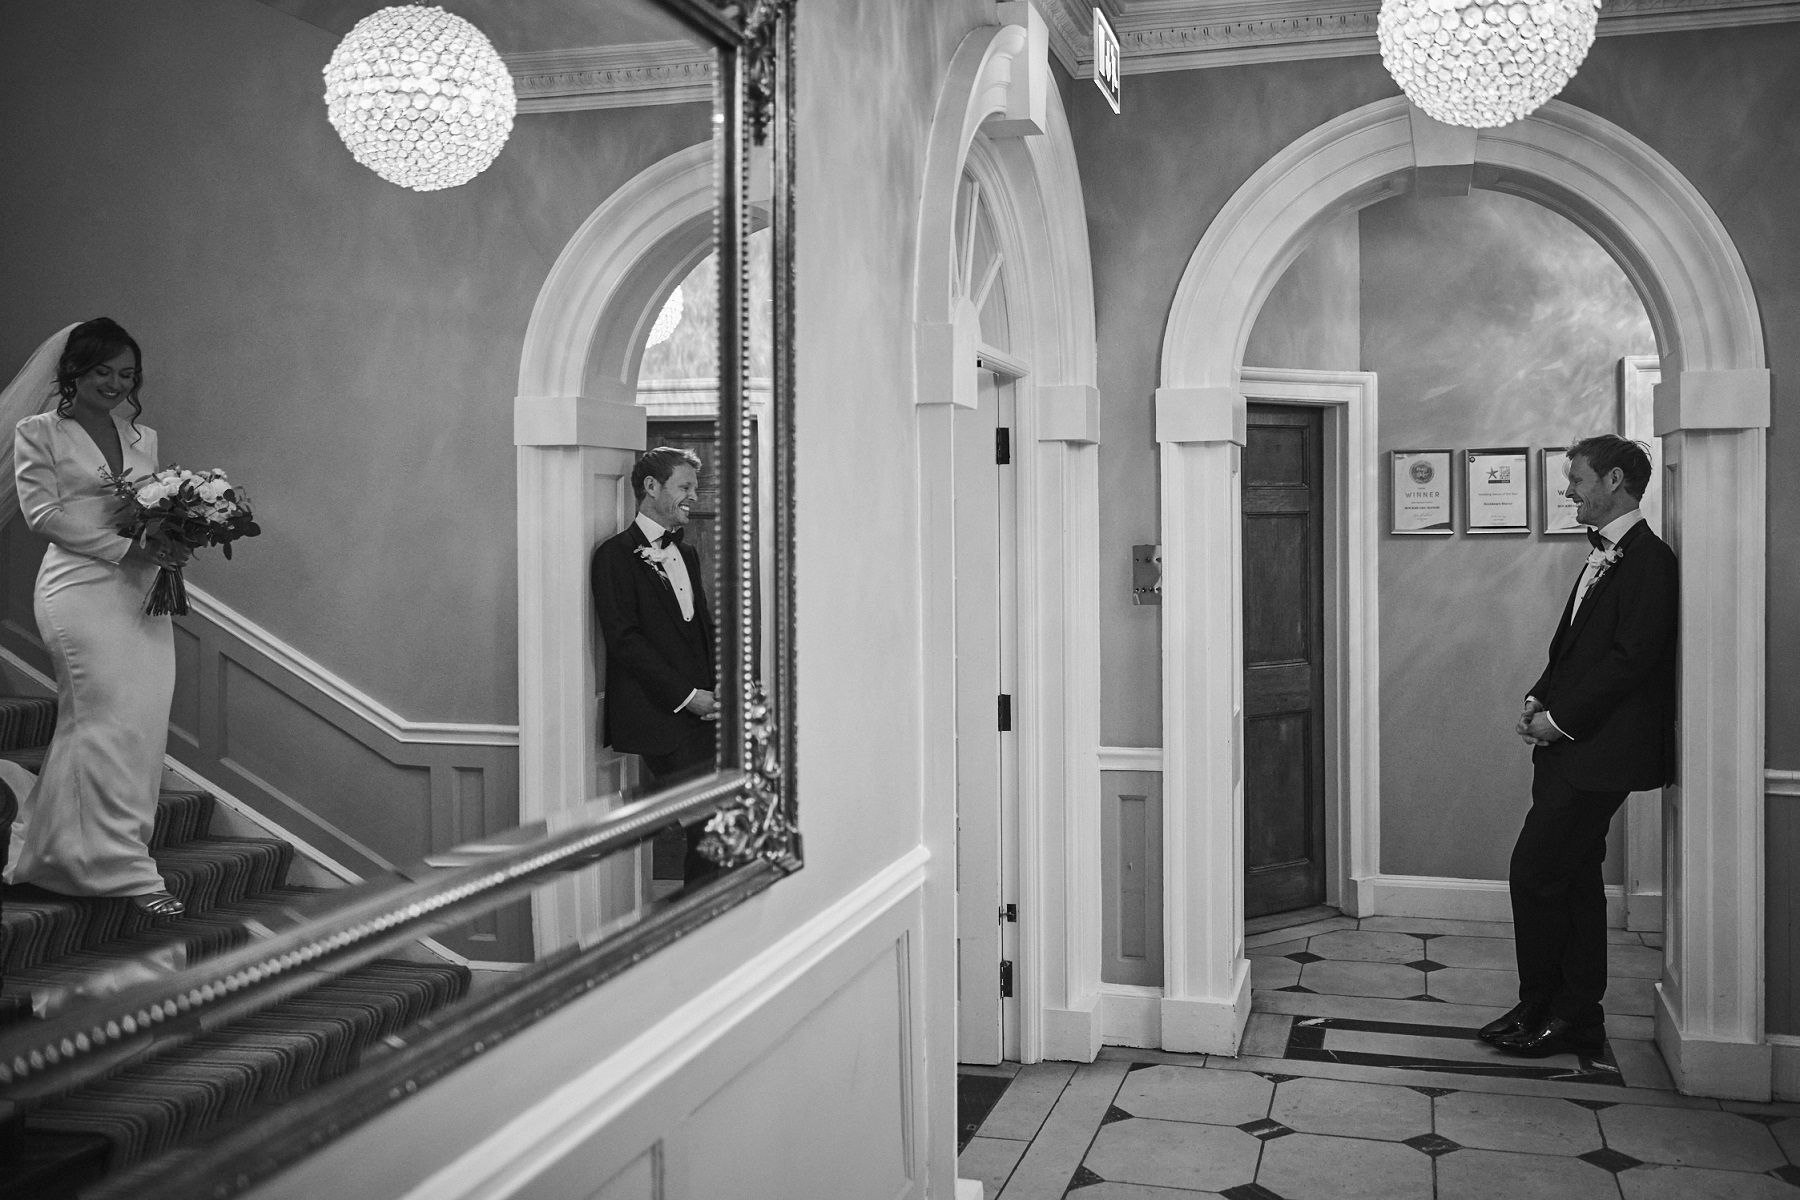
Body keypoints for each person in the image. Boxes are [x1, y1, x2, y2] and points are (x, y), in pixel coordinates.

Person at [1479, 434, 1677, 1058]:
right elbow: (1574, 648)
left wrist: (1561, 721)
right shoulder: (1604, 554)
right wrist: (1542, 695)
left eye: (1577, 480)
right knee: (1572, 879)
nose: (1568, 491)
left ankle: (1559, 1008)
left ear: (1614, 481)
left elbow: (1631, 660)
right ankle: (1555, 1009)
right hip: (1572, 746)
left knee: (1535, 873)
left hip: (1600, 753)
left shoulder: (1649, 559)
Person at [1, 318, 191, 917]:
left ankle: (69, 853)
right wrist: (127, 548)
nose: (114, 383)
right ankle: (125, 871)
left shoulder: (142, 437)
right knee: (101, 718)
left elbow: (148, 508)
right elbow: (44, 516)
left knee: (140, 724)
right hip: (77, 591)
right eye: (103, 371)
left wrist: (176, 535)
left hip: (141, 594)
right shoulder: (40, 432)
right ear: (74, 373)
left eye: (126, 374)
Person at [590, 446, 718, 881]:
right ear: (651, 487)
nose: (693, 497)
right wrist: (686, 698)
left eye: (694, 489)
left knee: (719, 825)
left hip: (705, 715)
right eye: (684, 487)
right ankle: (701, 926)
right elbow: (626, 642)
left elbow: (700, 634)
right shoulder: (613, 557)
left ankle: (711, 923)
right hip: (659, 716)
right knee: (710, 824)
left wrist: (722, 693)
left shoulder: (689, 554)